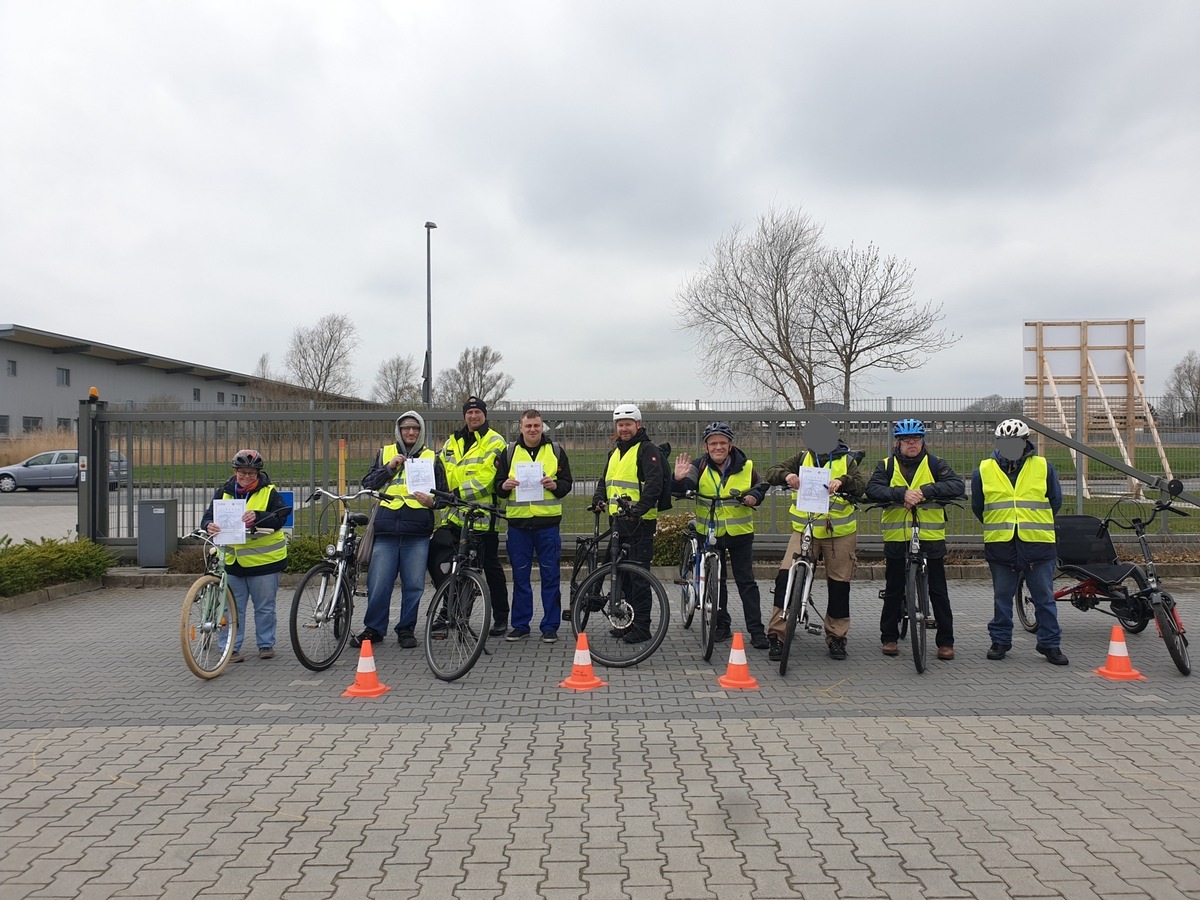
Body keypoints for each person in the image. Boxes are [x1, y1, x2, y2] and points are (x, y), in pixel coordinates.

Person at [764, 420, 866, 661]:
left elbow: (862, 485)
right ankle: (777, 634)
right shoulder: (801, 459)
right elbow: (771, 473)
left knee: (839, 584)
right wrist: (787, 475)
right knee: (785, 575)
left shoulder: (847, 460)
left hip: (838, 533)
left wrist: (843, 482)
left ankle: (837, 637)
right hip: (805, 529)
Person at [866, 419, 965, 660]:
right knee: (893, 588)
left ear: (923, 441)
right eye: (907, 440)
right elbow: (872, 489)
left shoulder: (935, 464)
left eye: (916, 439)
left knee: (938, 590)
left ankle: (945, 642)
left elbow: (957, 485)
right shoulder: (886, 466)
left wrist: (926, 491)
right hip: (898, 536)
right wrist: (901, 494)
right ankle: (888, 637)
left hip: (930, 536)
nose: (912, 443)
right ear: (897, 443)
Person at [972, 418, 1068, 665]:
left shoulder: (1043, 467)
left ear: (1026, 442)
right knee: (1002, 596)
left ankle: (1050, 644)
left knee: (1044, 597)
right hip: (1001, 541)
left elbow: (1055, 501)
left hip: (1037, 542)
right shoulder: (983, 470)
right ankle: (1000, 640)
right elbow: (979, 506)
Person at [353, 410, 447, 649]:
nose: (411, 432)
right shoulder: (385, 453)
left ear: (421, 431)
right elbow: (368, 484)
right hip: (386, 530)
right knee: (378, 583)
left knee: (414, 585)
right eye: (406, 428)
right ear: (399, 430)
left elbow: (445, 496)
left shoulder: (432, 457)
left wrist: (433, 503)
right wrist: (389, 467)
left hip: (417, 532)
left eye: (415, 428)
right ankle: (374, 628)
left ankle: (406, 630)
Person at [673, 422, 769, 649]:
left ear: (730, 445)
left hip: (740, 534)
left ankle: (756, 630)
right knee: (717, 582)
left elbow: (762, 484)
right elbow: (683, 487)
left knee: (746, 582)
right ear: (706, 447)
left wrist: (754, 496)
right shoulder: (698, 465)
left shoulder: (746, 465)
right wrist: (678, 480)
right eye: (713, 443)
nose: (718, 447)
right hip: (710, 532)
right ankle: (721, 625)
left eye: (722, 443)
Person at [429, 396, 510, 637]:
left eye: (478, 412)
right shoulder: (452, 441)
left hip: (483, 519)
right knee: (437, 557)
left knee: (490, 567)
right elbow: (440, 469)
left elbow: (487, 478)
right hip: (454, 517)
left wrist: (454, 493)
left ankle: (501, 617)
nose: (473, 416)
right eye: (469, 412)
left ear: (485, 415)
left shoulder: (495, 441)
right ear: (464, 415)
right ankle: (449, 610)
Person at [200, 449, 290, 662]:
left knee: (265, 608)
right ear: (235, 471)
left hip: (264, 562)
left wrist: (258, 517)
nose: (247, 477)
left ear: (258, 473)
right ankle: (230, 647)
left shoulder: (269, 492)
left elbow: (280, 518)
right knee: (231, 608)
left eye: (252, 473)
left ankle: (265, 645)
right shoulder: (224, 492)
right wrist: (208, 525)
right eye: (243, 472)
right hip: (233, 562)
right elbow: (207, 517)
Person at [493, 409, 574, 642]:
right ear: (520, 427)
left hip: (547, 525)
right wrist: (505, 485)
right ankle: (520, 625)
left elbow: (567, 483)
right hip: (518, 525)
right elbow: (497, 486)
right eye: (528, 426)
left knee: (550, 577)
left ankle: (550, 626)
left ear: (542, 427)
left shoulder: (556, 451)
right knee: (520, 578)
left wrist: (554, 485)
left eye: (536, 426)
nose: (532, 430)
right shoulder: (509, 452)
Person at [589, 403, 664, 643]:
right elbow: (605, 481)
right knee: (622, 577)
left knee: (639, 578)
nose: (624, 429)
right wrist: (598, 499)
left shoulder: (646, 449)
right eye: (620, 425)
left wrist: (638, 510)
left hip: (640, 524)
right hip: (618, 522)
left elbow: (655, 484)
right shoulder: (615, 453)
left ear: (638, 425)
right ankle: (627, 623)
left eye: (628, 424)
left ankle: (643, 627)